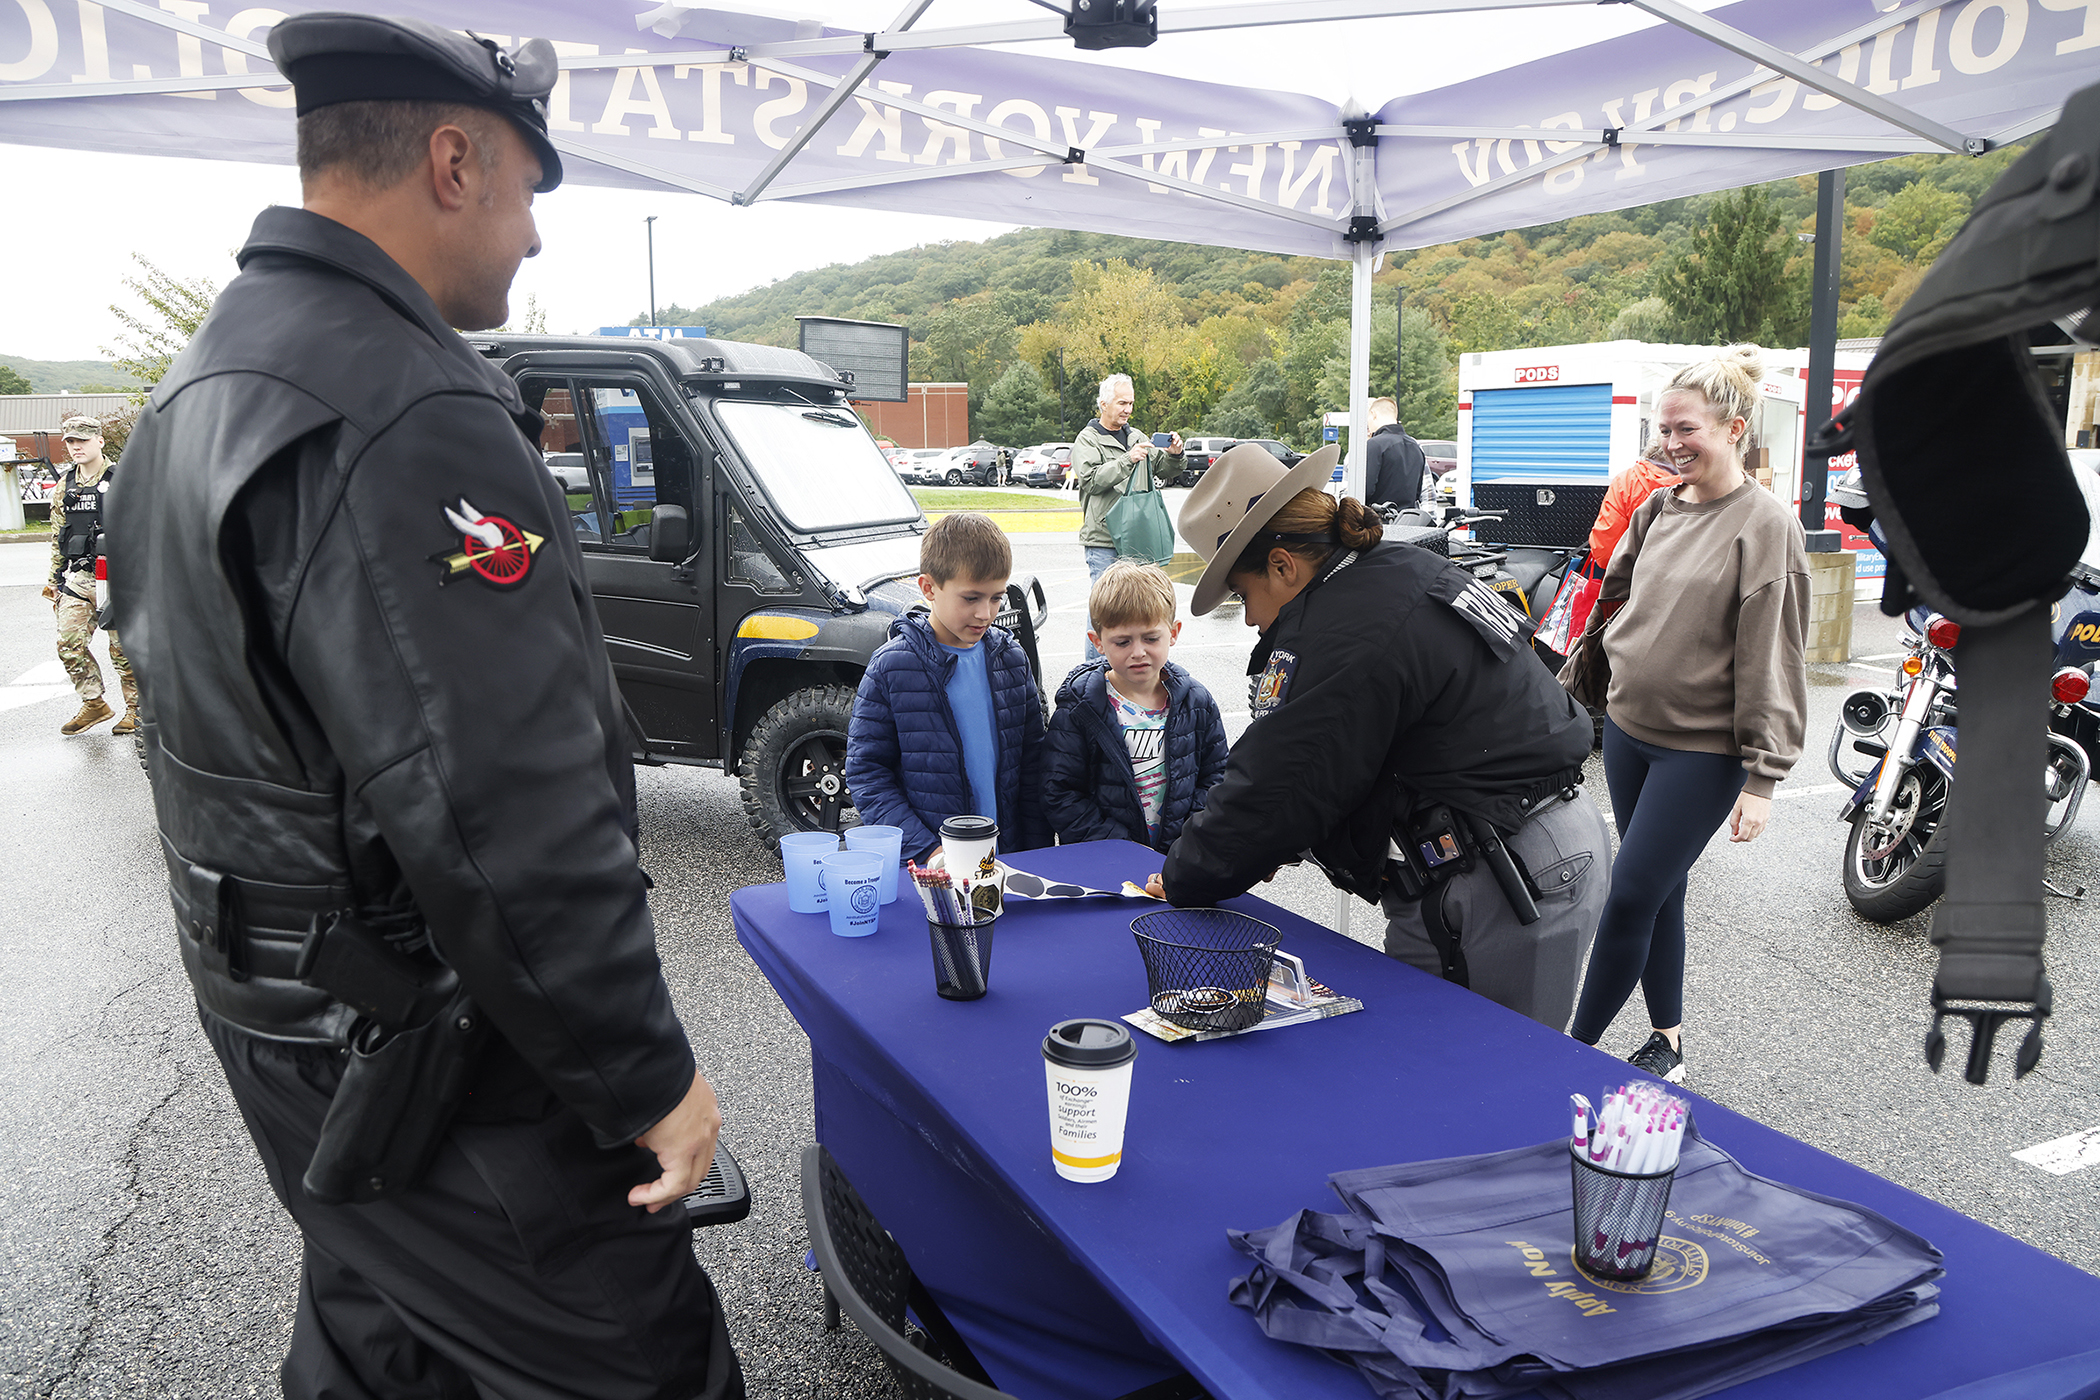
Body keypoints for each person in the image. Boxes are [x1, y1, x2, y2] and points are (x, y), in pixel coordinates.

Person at [105, 17, 744, 1398]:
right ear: (453, 160)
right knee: (639, 1366)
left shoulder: (194, 388)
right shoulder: (408, 407)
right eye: (528, 190)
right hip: (437, 1058)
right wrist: (645, 1077)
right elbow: (505, 813)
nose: (532, 239)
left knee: (389, 1347)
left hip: (286, 1024)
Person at [1145, 444, 1612, 1030]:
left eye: (1244, 594)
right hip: (1504, 848)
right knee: (1421, 1065)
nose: (1247, 618)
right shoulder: (1397, 572)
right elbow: (1351, 759)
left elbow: (1278, 785)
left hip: (1507, 863)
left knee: (1490, 1081)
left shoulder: (1346, 628)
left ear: (1284, 565)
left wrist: (1188, 873)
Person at [1565, 345, 1810, 1084]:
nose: (1671, 443)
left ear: (1734, 428)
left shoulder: (1766, 525)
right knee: (1660, 892)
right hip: (1630, 732)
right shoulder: (1656, 506)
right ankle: (1668, 1041)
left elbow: (1775, 655)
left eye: (1687, 429)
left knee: (1629, 894)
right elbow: (1618, 595)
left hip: (1700, 752)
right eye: (1662, 429)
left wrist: (1764, 778)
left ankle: (1565, 1055)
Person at [846, 511, 1050, 862]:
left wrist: (1037, 854)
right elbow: (867, 773)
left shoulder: (1011, 658)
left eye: (996, 597)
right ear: (928, 588)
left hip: (1010, 860)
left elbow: (1033, 763)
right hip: (934, 868)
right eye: (971, 598)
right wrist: (927, 851)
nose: (986, 613)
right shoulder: (893, 666)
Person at [1043, 560, 1230, 851]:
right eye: (1122, 642)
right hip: (1106, 860)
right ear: (1098, 642)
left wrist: (1191, 839)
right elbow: (1060, 791)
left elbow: (1216, 776)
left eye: (1151, 638)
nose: (1138, 652)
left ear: (1174, 632)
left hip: (1177, 861)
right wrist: (1119, 847)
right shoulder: (1080, 708)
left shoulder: (1197, 703)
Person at [1072, 374, 1184, 657]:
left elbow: (1166, 469)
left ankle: (1133, 669)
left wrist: (1175, 454)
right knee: (1104, 610)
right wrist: (1127, 459)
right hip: (1104, 539)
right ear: (1103, 404)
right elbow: (1090, 479)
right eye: (1122, 402)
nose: (1127, 409)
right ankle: (1093, 673)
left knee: (1140, 607)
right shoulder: (1087, 439)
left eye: (1131, 403)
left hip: (1137, 537)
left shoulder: (1137, 437)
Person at [40, 414, 138, 736]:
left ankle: (137, 711)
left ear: (99, 440)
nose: (76, 447)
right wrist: (55, 581)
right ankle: (94, 703)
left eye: (82, 440)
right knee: (68, 643)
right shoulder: (64, 486)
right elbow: (58, 537)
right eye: (70, 441)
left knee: (123, 648)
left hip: (121, 577)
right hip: (81, 576)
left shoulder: (124, 479)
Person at [1586, 454, 1681, 572]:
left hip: (1630, 581)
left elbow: (1605, 552)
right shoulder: (1701, 486)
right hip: (1682, 583)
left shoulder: (1625, 481)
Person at [1362, 397, 1427, 511]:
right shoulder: (1415, 447)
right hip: (1407, 521)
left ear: (1373, 414)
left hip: (1379, 521)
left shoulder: (1374, 445)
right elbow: (1417, 493)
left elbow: (1365, 491)